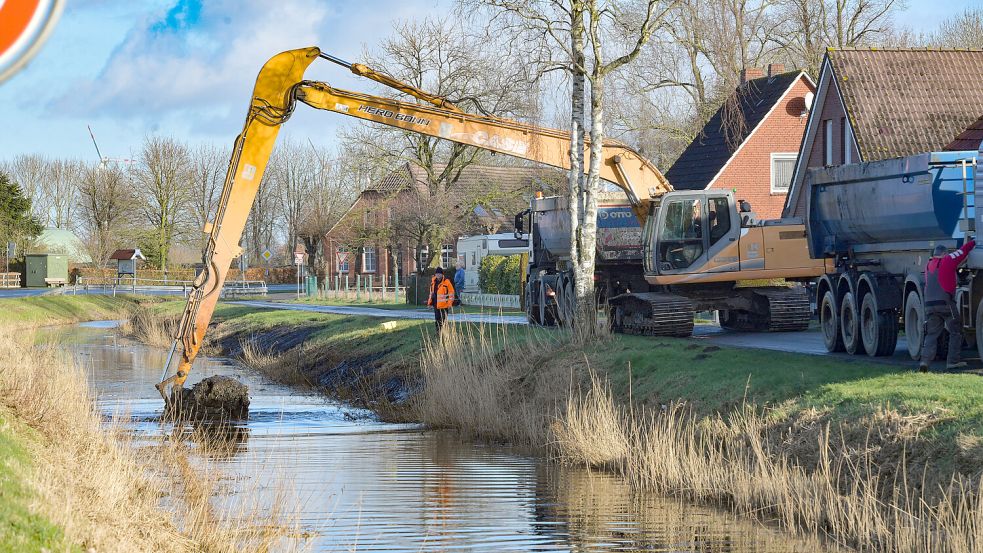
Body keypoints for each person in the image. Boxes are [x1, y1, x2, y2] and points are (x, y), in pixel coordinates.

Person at [919, 237, 976, 371]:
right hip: (945, 303)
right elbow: (963, 251)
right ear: (944, 254)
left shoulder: (927, 266)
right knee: (956, 331)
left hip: (929, 305)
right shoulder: (947, 260)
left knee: (931, 334)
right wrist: (974, 241)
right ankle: (953, 361)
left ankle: (925, 362)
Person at [427, 267, 455, 332]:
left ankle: (443, 332)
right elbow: (431, 294)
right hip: (435, 304)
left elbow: (451, 293)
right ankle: (438, 333)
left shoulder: (447, 282)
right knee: (437, 319)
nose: (438, 275)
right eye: (437, 274)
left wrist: (449, 304)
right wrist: (429, 303)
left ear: (442, 274)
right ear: (435, 274)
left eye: (439, 273)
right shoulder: (433, 283)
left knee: (443, 320)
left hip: (444, 305)